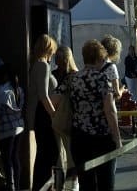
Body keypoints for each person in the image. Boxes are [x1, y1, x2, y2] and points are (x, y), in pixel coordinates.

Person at [59, 39, 122, 191]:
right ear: (100, 57)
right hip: (102, 137)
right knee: (105, 183)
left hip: (79, 137)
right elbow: (110, 110)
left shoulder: (72, 78)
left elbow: (54, 98)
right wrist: (117, 137)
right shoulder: (102, 79)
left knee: (86, 184)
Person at [28, 34, 59, 191]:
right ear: (48, 48)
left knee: (45, 153)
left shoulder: (38, 64)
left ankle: (45, 186)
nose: (53, 52)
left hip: (42, 114)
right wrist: (54, 115)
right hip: (44, 115)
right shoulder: (42, 65)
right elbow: (43, 95)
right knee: (46, 154)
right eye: (52, 49)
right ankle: (43, 187)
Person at [52, 46, 79, 191]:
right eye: (57, 58)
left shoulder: (69, 76)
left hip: (63, 120)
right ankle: (64, 186)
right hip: (63, 120)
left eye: (60, 59)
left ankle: (69, 186)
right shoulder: (74, 76)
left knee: (68, 156)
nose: (58, 62)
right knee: (63, 157)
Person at [0, 63, 25, 191]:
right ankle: (16, 186)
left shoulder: (1, 91)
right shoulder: (18, 89)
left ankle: (10, 186)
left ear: (4, 76)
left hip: (6, 130)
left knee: (7, 159)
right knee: (15, 157)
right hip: (19, 127)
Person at [100, 35, 123, 100]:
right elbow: (117, 94)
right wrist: (122, 90)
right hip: (107, 105)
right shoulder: (111, 67)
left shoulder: (95, 63)